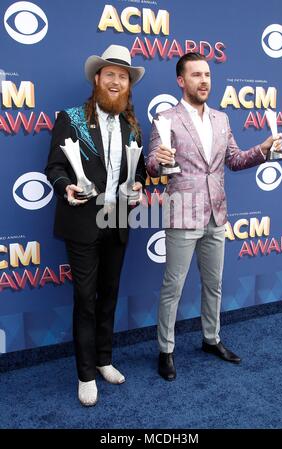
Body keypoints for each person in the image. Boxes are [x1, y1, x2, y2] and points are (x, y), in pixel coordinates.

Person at [146, 52, 282, 381]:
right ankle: (165, 350)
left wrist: (263, 149)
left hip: (216, 215)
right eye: (196, 75)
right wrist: (157, 159)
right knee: (173, 288)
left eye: (207, 74)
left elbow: (234, 160)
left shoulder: (222, 119)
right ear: (181, 81)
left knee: (214, 284)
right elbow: (152, 165)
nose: (204, 80)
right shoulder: (165, 118)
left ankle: (211, 339)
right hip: (182, 215)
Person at [45, 45, 146, 405]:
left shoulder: (131, 125)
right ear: (96, 79)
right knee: (86, 299)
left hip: (118, 220)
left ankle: (104, 359)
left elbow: (141, 172)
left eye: (124, 76)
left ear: (128, 85)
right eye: (110, 74)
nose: (117, 81)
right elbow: (54, 168)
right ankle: (85, 374)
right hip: (83, 221)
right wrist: (65, 187)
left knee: (109, 296)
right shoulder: (71, 118)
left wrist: (139, 187)